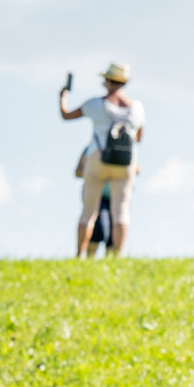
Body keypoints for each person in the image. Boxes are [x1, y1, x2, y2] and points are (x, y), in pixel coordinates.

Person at [59, 63, 145, 257]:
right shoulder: (138, 108)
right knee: (121, 211)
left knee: (89, 211)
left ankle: (79, 254)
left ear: (107, 81)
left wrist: (63, 96)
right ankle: (116, 256)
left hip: (98, 157)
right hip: (125, 162)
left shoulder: (96, 104)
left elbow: (66, 115)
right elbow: (139, 138)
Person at [74, 150, 113, 258]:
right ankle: (89, 258)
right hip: (97, 196)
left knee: (113, 234)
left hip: (115, 197)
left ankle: (111, 263)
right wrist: (97, 170)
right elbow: (78, 172)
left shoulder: (125, 145)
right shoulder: (92, 148)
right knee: (100, 228)